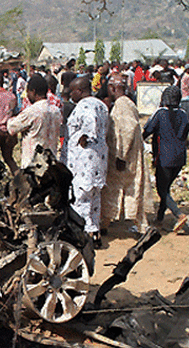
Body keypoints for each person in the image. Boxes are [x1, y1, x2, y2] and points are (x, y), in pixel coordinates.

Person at [100, 74, 149, 235]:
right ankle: (106, 222)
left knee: (120, 189)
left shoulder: (122, 105)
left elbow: (128, 130)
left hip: (123, 157)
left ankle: (139, 225)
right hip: (127, 154)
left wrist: (121, 155)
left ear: (113, 88)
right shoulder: (127, 103)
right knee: (125, 189)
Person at [65, 76, 109, 247]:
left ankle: (83, 237)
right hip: (99, 158)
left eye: (72, 91)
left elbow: (90, 120)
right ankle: (94, 232)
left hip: (85, 160)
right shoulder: (101, 105)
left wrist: (86, 135)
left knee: (81, 198)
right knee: (94, 199)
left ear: (80, 91)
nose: (70, 95)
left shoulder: (85, 105)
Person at [143, 86, 189, 232]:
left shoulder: (160, 113)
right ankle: (159, 218)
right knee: (166, 188)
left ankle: (178, 214)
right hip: (179, 156)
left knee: (161, 189)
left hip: (164, 156)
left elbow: (147, 131)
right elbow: (186, 131)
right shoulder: (183, 114)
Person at [6, 74, 63, 168]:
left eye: (28, 92)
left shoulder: (32, 111)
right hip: (50, 163)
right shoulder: (56, 111)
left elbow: (11, 127)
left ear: (33, 91)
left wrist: (11, 110)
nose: (27, 95)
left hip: (33, 165)